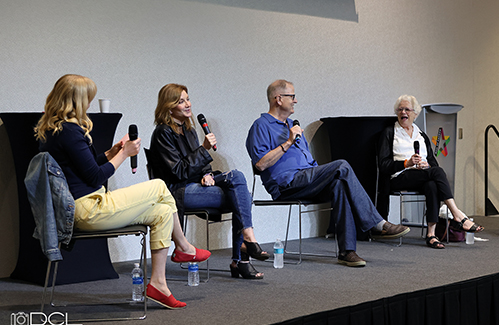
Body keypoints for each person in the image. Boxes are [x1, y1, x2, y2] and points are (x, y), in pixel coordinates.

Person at [35, 74, 210, 310]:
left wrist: (111, 153)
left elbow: (85, 168)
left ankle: (159, 283)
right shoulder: (70, 131)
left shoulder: (56, 130)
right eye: (87, 99)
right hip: (87, 209)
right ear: (76, 100)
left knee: (161, 212)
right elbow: (96, 177)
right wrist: (124, 154)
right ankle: (184, 248)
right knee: (159, 185)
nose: (88, 104)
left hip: (85, 205)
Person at [246, 79, 410, 268]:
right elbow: (260, 165)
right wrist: (288, 142)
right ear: (278, 99)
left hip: (307, 179)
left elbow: (309, 160)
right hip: (287, 185)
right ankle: (377, 224)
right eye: (292, 96)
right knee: (342, 165)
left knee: (339, 184)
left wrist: (318, 170)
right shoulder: (260, 126)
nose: (295, 101)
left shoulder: (292, 125)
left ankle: (347, 251)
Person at [150, 83, 267, 279]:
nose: (188, 104)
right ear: (169, 107)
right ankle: (242, 258)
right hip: (178, 192)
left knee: (237, 178)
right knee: (243, 196)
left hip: (196, 185)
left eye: (188, 99)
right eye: (181, 101)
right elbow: (178, 172)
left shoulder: (189, 130)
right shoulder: (163, 133)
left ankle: (246, 245)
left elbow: (200, 165)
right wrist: (204, 149)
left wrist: (208, 174)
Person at [377, 95, 484, 249]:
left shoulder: (420, 135)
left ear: (415, 114)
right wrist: (406, 163)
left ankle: (431, 234)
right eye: (400, 109)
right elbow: (384, 165)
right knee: (438, 173)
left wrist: (426, 165)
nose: (403, 112)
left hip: (419, 176)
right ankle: (457, 214)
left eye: (407, 109)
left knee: (432, 184)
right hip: (398, 177)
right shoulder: (390, 132)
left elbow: (433, 163)